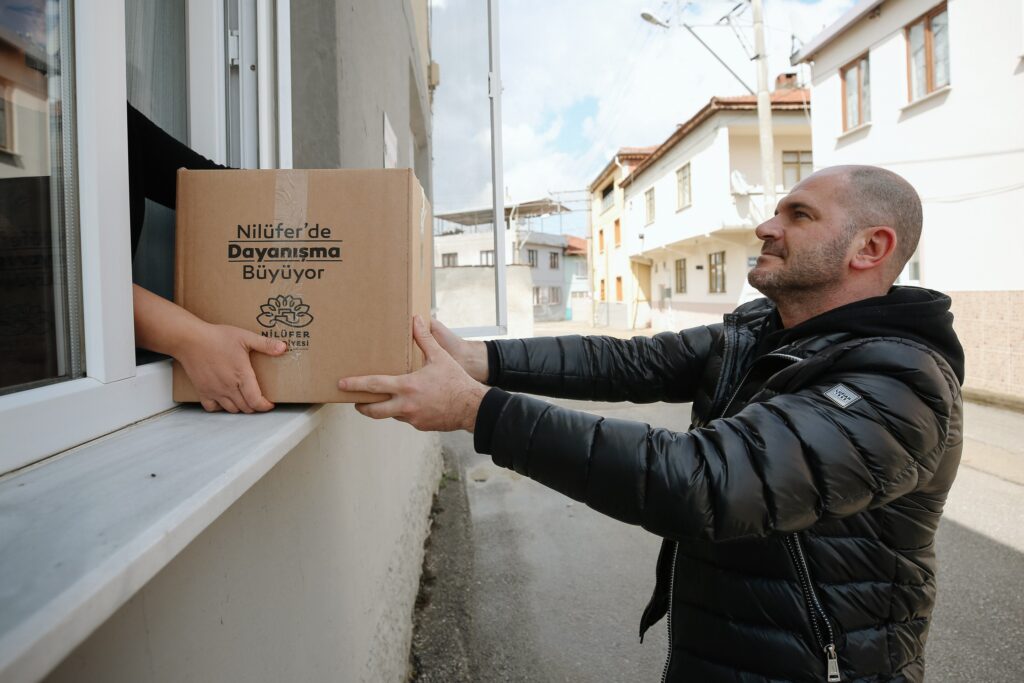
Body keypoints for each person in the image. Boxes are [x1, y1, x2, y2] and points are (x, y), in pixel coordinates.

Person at [339, 165, 965, 682]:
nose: (766, 226)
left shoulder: (898, 383)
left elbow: (708, 481)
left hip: (821, 668)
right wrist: (480, 358)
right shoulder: (759, 332)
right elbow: (630, 360)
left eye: (799, 215)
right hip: (724, 653)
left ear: (870, 248)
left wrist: (476, 410)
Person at [127, 103, 286, 413]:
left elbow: (211, 187)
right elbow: (60, 294)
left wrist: (333, 207)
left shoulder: (100, 112)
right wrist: (190, 338)